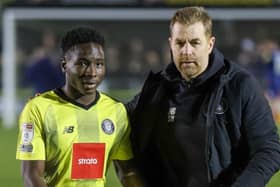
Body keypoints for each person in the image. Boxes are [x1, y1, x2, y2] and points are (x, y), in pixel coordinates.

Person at [126, 6, 280, 187]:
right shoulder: (158, 88)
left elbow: (269, 150)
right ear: (170, 44)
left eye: (194, 42)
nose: (186, 51)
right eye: (180, 43)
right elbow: (119, 118)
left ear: (210, 44)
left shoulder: (239, 85)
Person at [16, 26, 143, 187]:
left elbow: (127, 172)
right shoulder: (38, 109)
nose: (92, 72)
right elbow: (32, 175)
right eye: (82, 63)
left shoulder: (116, 111)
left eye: (99, 64)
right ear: (64, 65)